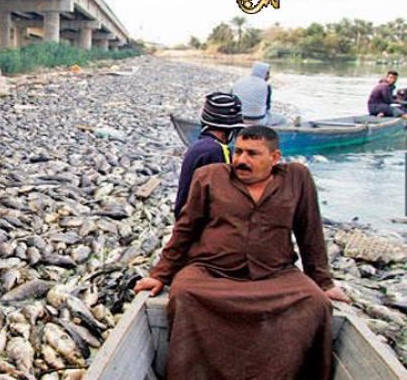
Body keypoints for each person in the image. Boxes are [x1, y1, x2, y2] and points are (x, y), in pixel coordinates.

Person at [135, 125, 350, 380]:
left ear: (274, 157)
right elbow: (185, 229)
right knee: (184, 294)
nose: (241, 160)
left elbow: (310, 232)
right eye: (238, 152)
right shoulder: (210, 176)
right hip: (212, 271)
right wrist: (160, 274)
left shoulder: (297, 178)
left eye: (252, 154)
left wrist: (323, 282)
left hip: (275, 274)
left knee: (315, 303)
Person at [174, 92, 244, 219]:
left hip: (184, 217)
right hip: (198, 225)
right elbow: (222, 195)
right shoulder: (217, 151)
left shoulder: (198, 146)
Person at [231, 62, 288, 126]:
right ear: (265, 74)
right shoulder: (266, 86)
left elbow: (231, 100)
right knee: (282, 120)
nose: (269, 76)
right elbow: (267, 107)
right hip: (258, 120)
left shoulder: (238, 82)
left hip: (238, 119)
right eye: (268, 73)